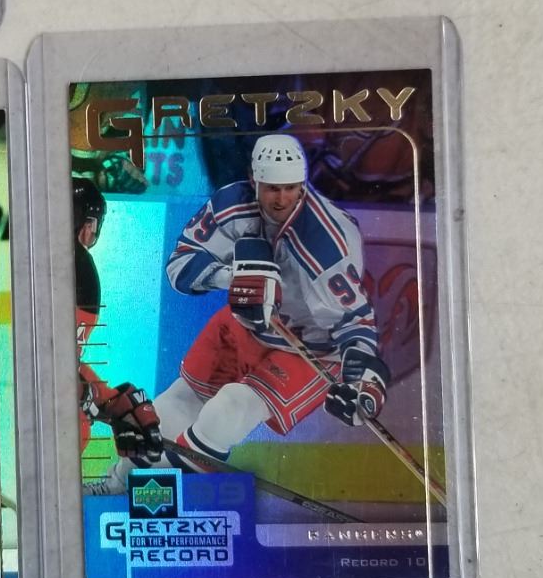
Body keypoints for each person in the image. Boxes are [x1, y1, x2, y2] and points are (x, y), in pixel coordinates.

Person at [93, 133, 389, 492]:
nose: (282, 199)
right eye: (273, 189)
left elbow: (356, 321)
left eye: (292, 188)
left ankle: (169, 495)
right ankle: (115, 486)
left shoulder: (326, 241)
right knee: (172, 407)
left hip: (308, 347)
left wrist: (364, 386)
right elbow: (179, 266)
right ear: (254, 180)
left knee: (230, 409)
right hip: (246, 324)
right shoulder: (231, 203)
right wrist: (232, 277)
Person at [72, 176, 163, 471]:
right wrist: (96, 400)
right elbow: (51, 368)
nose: (92, 233)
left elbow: (63, 363)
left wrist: (109, 401)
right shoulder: (77, 267)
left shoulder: (59, 261)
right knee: (75, 428)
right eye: (92, 224)